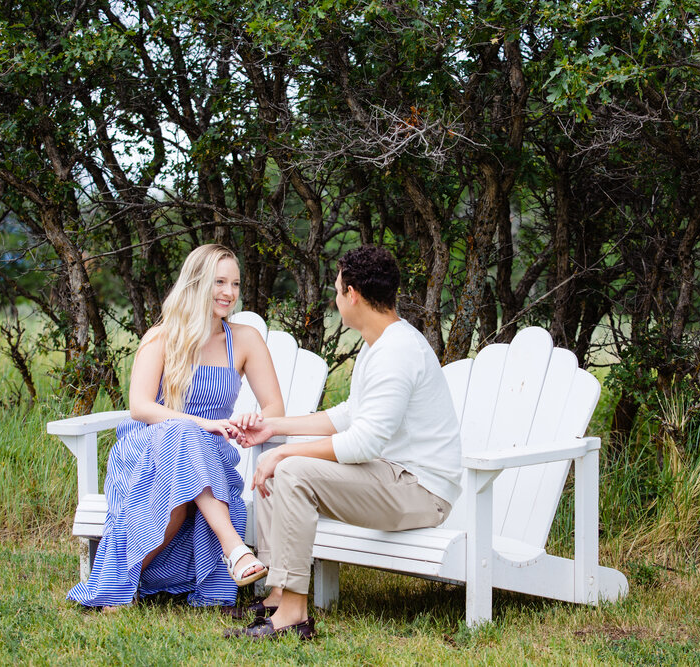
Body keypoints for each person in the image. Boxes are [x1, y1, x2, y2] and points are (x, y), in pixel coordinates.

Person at [224, 245, 462, 641]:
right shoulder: (380, 344)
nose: (336, 299)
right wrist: (273, 429)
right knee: (277, 457)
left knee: (292, 470)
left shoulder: (397, 350)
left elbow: (364, 442)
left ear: (352, 294)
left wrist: (286, 451)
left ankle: (294, 615)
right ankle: (277, 596)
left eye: (337, 290)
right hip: (392, 477)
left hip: (421, 491)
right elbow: (350, 416)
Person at [67, 244, 283, 611]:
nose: (229, 293)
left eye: (235, 283)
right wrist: (206, 424)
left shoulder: (245, 340)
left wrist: (252, 420)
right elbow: (140, 407)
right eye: (219, 282)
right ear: (196, 283)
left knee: (183, 478)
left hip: (211, 456)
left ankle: (121, 586)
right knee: (182, 433)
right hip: (149, 448)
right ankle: (234, 548)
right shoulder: (161, 337)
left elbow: (275, 407)